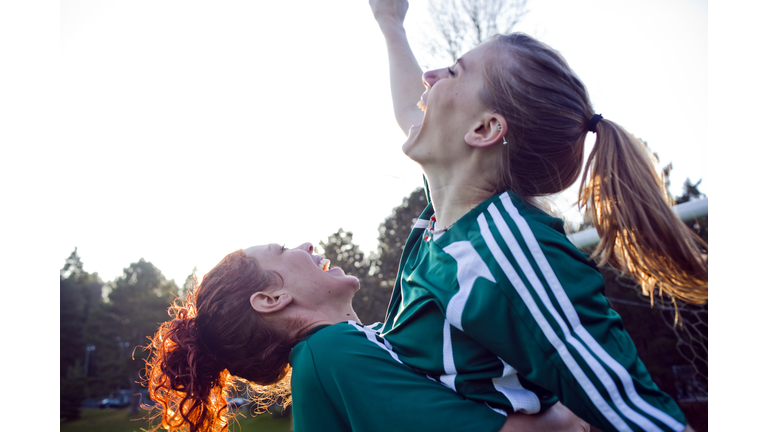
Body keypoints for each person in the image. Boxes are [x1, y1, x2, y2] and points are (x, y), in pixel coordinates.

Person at [368, 1, 707, 432]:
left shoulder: (505, 251)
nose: (429, 78)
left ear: (486, 130)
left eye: (453, 71)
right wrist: (389, 23)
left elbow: (637, 414)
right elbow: (409, 110)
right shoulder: (443, 220)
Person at [144, 244, 589, 432]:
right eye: (282, 250)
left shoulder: (355, 346)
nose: (307, 246)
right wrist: (584, 399)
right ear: (272, 298)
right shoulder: (332, 353)